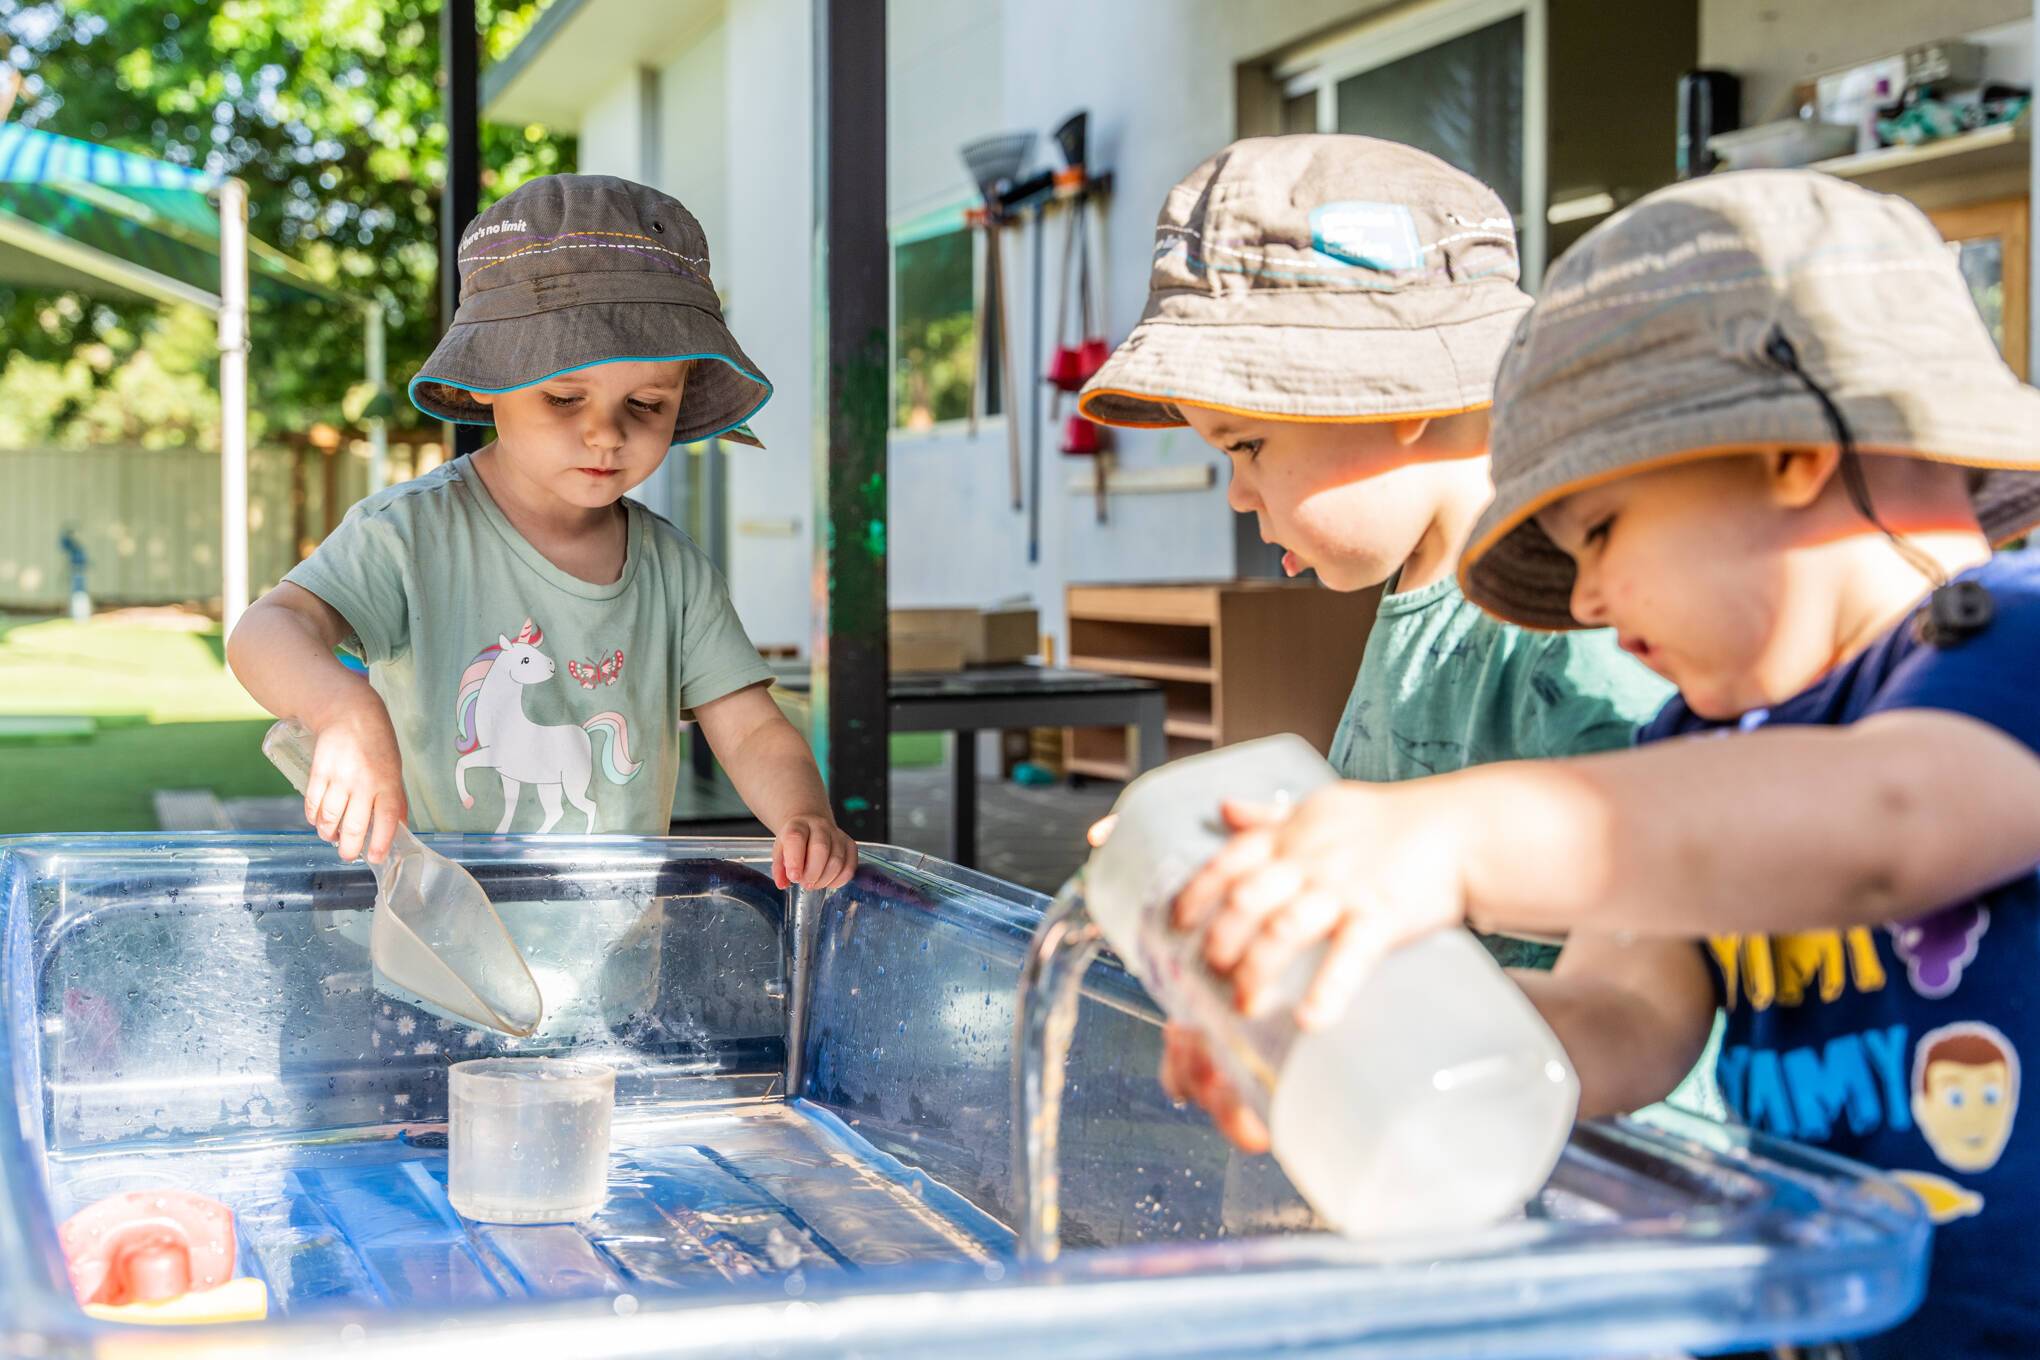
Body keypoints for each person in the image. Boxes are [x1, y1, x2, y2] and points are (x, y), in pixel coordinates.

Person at [1169, 170, 2040, 1356]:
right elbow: (1622, 1012)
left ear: (1787, 449)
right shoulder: (1703, 739)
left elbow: (1890, 821)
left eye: (1604, 529)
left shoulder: (2013, 637)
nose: (1581, 596)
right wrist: (1349, 1037)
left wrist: (1443, 839)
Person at [1078, 135, 1670, 973]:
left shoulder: (1578, 613)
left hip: (1581, 1094)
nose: (1238, 496)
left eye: (1247, 445)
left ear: (1399, 395)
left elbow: (1657, 881)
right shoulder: (1420, 590)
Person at [229, 174, 855, 893]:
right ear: (484, 381)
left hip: (614, 959)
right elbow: (265, 629)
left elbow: (748, 729)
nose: (606, 433)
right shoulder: (407, 536)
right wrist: (340, 707)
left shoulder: (673, 571)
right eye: (564, 396)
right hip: (441, 954)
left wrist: (803, 813)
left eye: (647, 404)